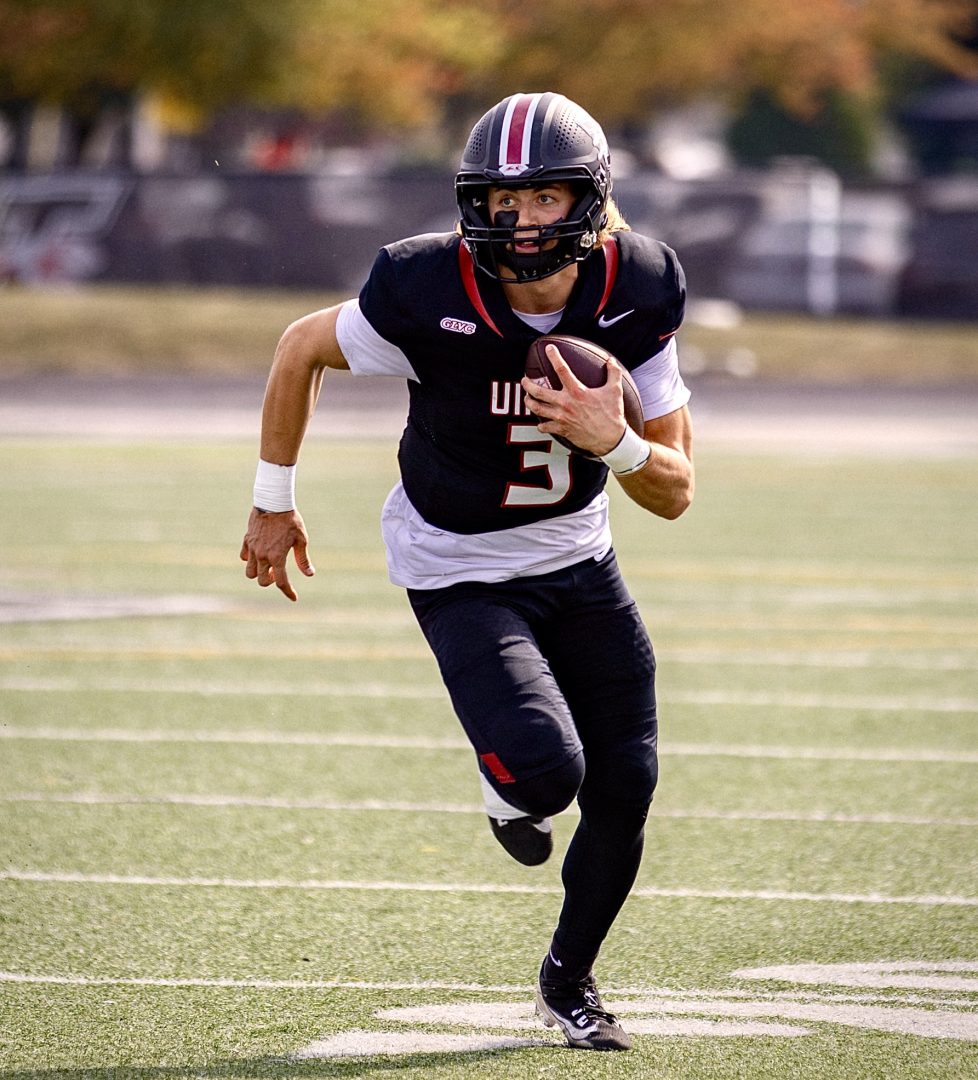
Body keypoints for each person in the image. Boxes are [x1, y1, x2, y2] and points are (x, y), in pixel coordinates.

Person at [240, 91, 693, 1052]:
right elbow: (299, 349)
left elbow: (677, 490)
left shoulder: (640, 286)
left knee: (629, 779)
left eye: (544, 199)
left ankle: (568, 982)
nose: (520, 222)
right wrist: (272, 499)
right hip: (457, 565)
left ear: (591, 198)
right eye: (501, 201)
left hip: (578, 554)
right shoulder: (422, 287)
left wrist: (615, 446)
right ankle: (513, 787)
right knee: (545, 769)